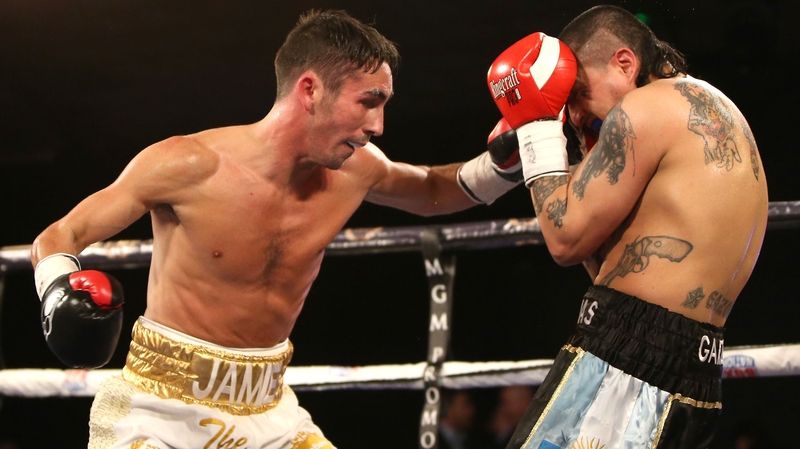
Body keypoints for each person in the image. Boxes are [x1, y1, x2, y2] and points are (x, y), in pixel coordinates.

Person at [30, 10, 522, 449]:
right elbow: (60, 236)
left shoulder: (357, 169)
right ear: (310, 90)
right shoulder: (188, 165)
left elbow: (434, 189)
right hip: (163, 406)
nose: (379, 125)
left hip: (269, 410)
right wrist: (58, 293)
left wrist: (502, 165)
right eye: (369, 102)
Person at [485, 5, 768, 449]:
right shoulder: (710, 107)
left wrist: (537, 130)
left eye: (577, 94)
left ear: (624, 63)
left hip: (623, 371)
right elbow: (606, 268)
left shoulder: (643, 108)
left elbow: (564, 240)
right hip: (696, 380)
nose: (575, 114)